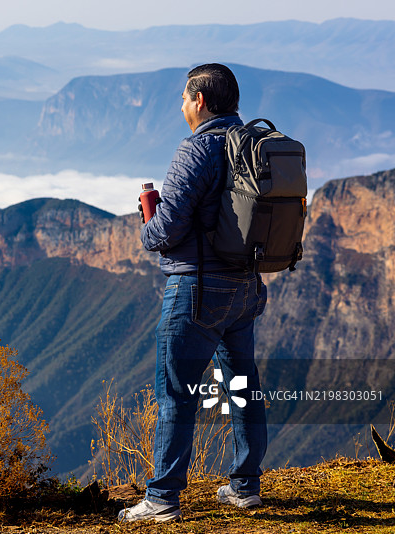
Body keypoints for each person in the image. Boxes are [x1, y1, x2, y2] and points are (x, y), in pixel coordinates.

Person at [118, 63, 268, 523]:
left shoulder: (197, 148)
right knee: (242, 385)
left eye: (184, 99)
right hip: (246, 285)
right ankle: (245, 487)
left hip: (198, 288)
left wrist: (147, 221)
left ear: (199, 100)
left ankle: (162, 499)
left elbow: (165, 230)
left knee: (176, 392)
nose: (182, 107)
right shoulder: (254, 144)